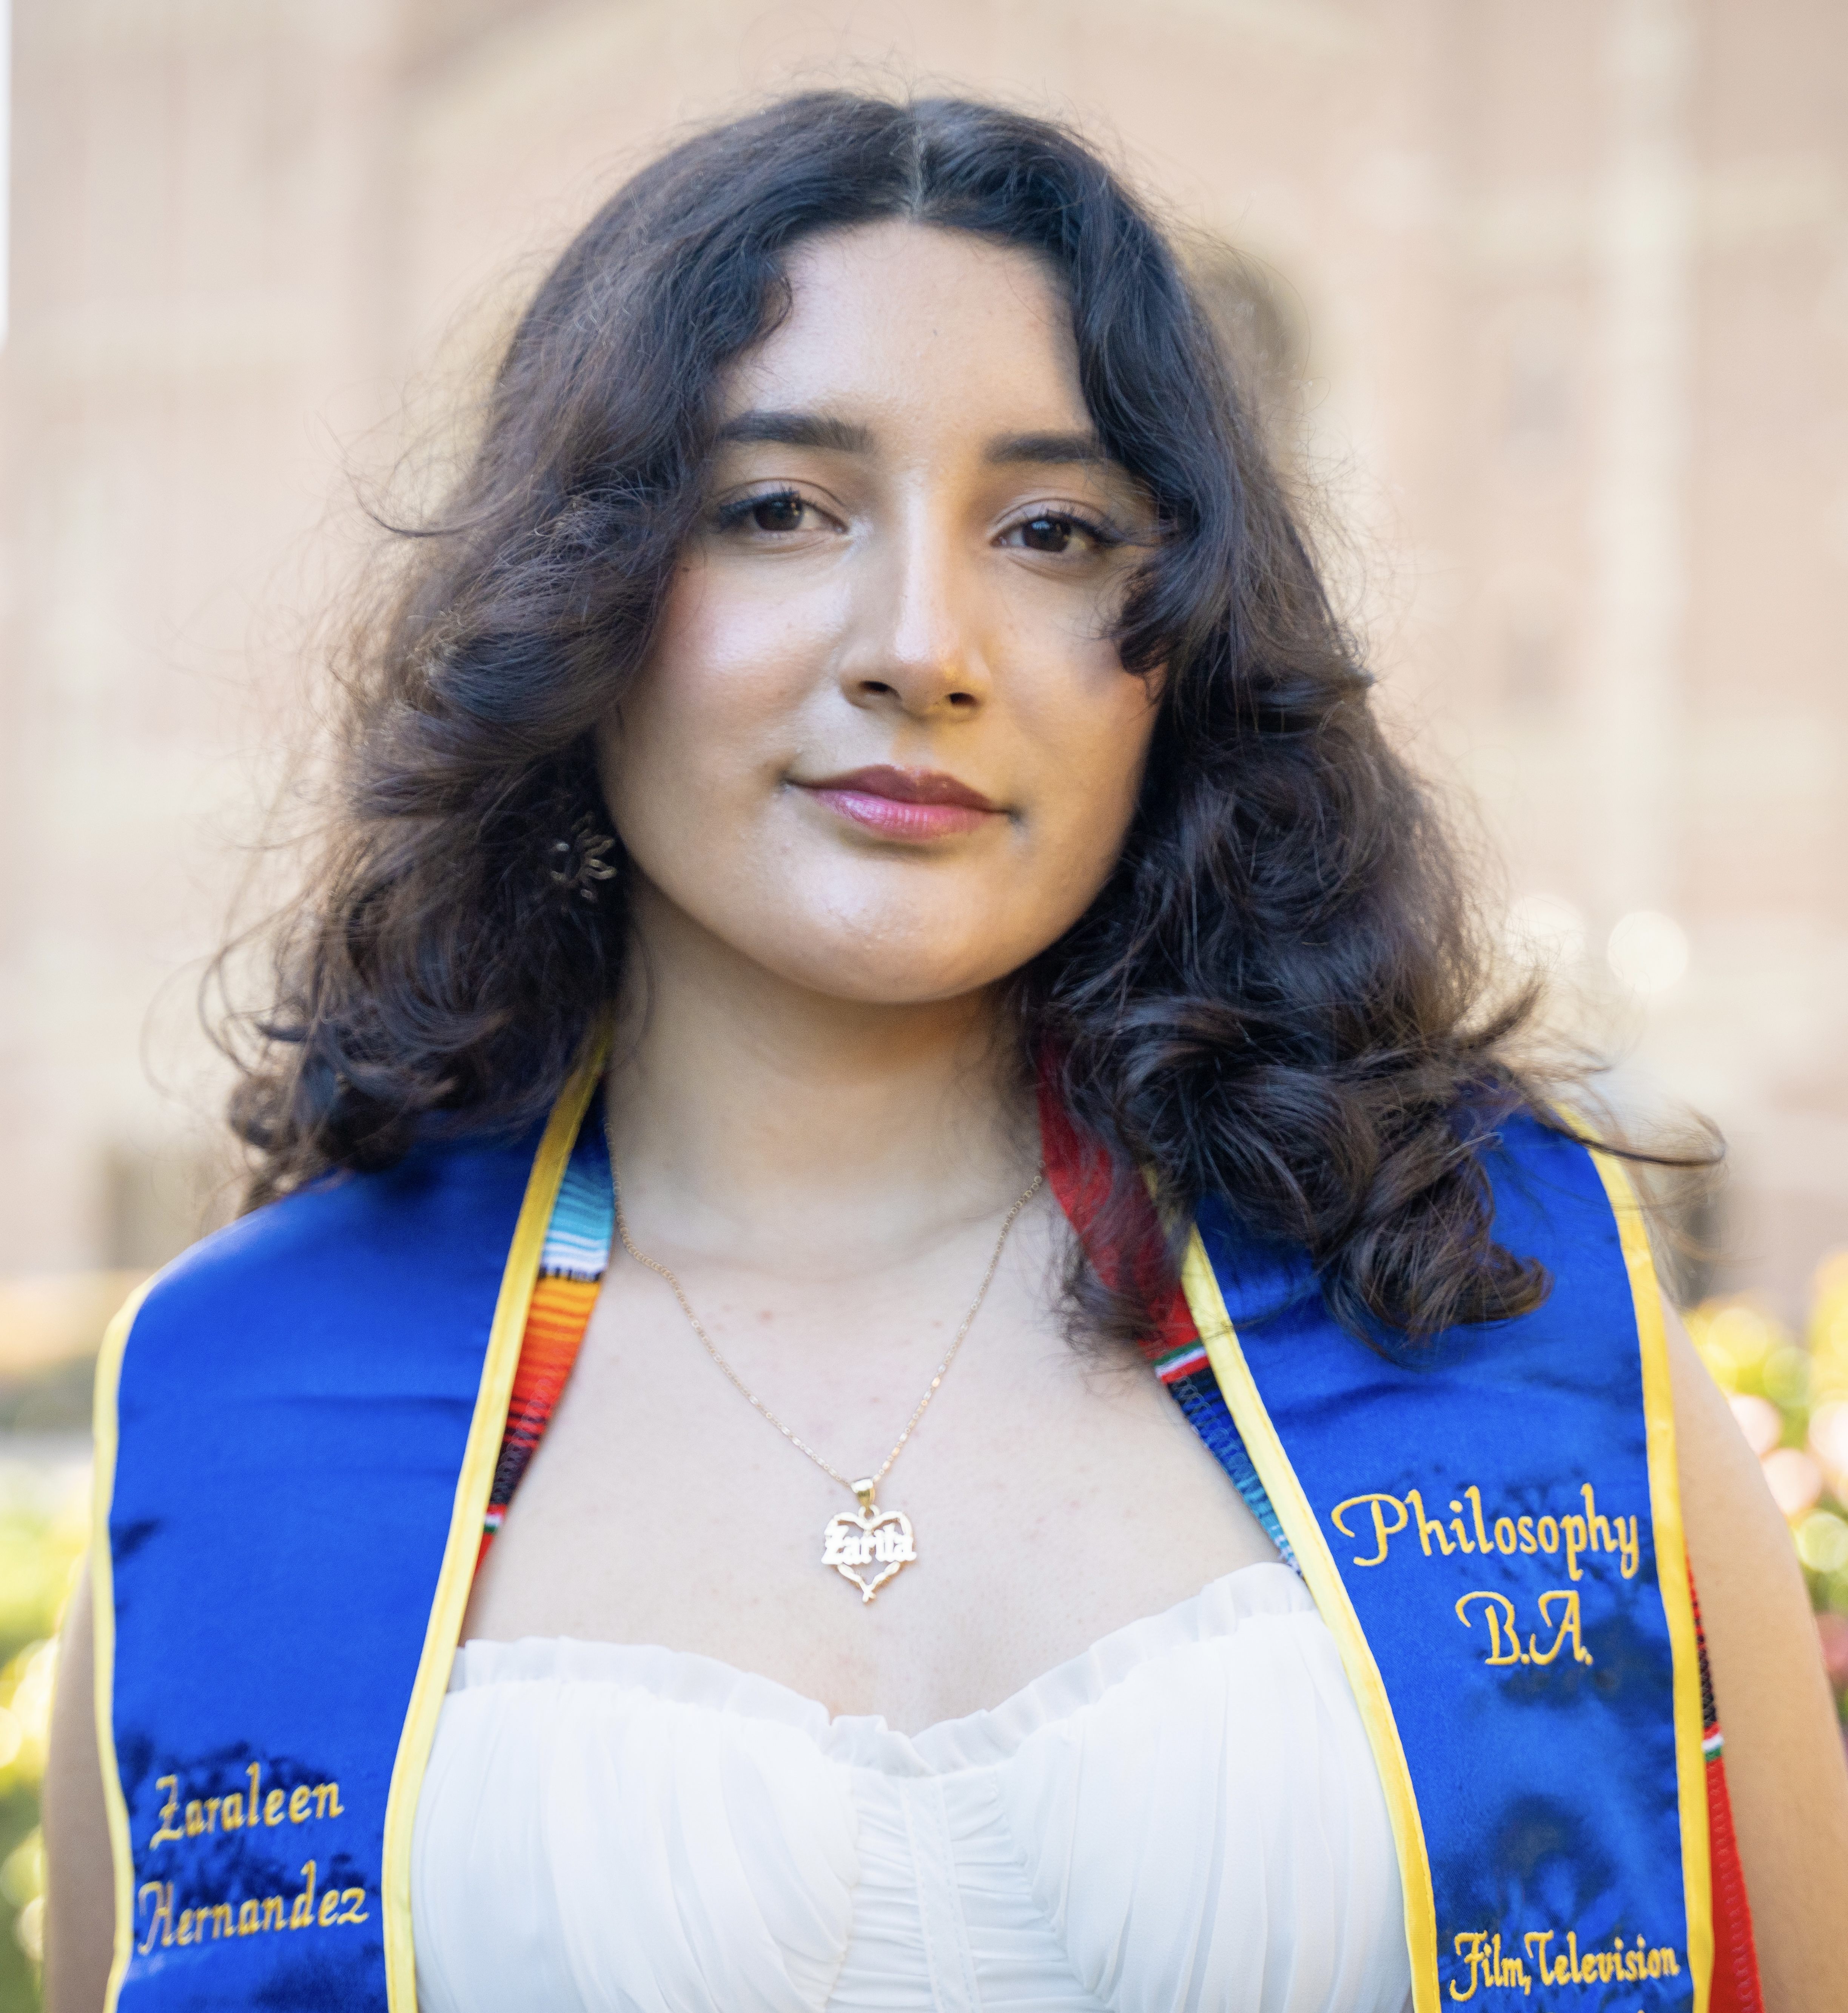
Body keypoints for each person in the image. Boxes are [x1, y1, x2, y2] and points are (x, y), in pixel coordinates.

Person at [42, 91, 1847, 2013]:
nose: (924, 643)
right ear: (579, 592)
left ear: (1180, 648)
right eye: (778, 508)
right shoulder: (246, 1401)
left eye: (1055, 531)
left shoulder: (1502, 1298)